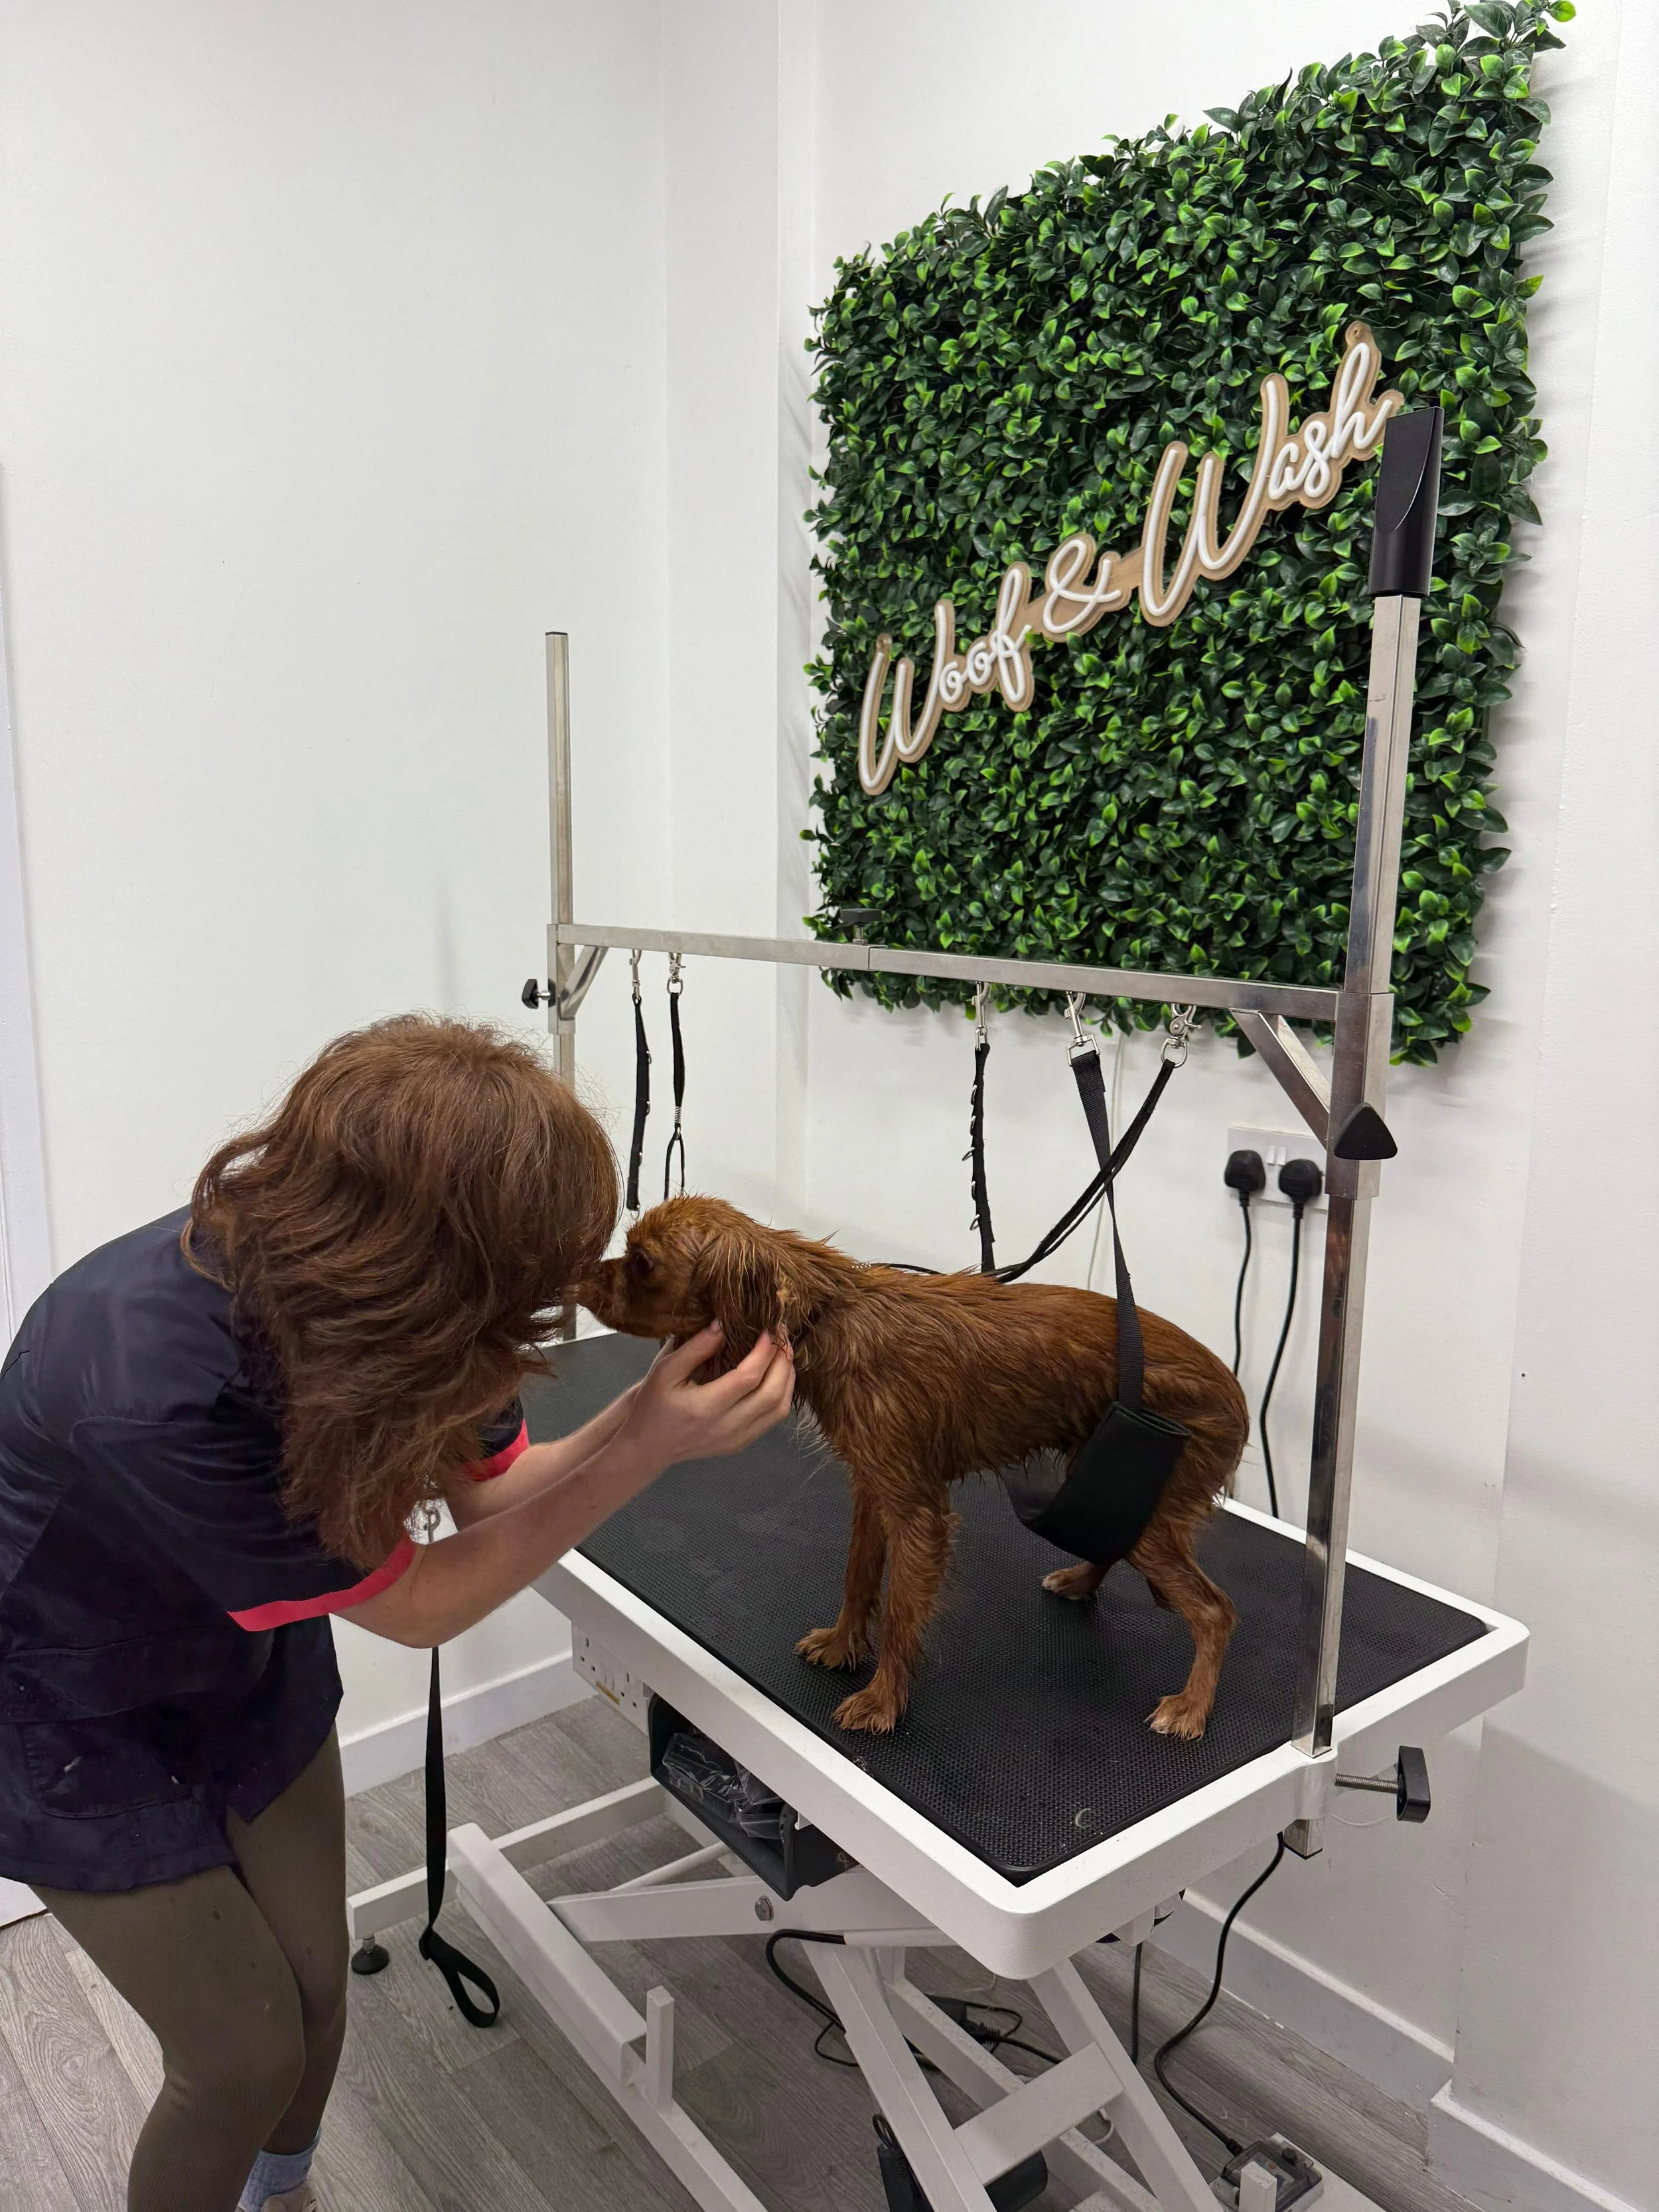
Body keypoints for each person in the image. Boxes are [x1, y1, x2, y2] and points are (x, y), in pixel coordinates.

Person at [0, 1015, 794, 2212]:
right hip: (63, 1712)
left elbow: (497, 1496)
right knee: (240, 2054)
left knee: (321, 1989)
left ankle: (283, 2195)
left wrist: (645, 1423)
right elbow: (424, 1607)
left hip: (246, 1664)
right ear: (432, 1259)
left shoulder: (403, 1314)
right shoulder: (150, 1380)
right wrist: (641, 1450)